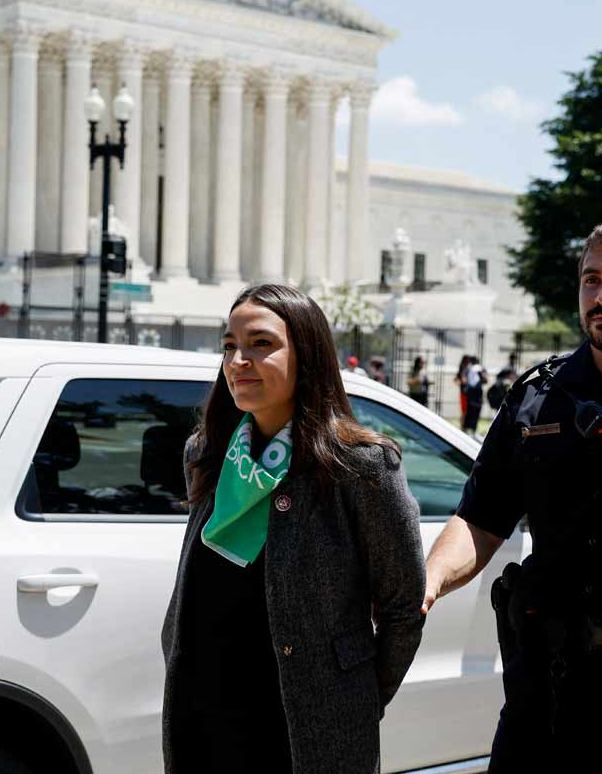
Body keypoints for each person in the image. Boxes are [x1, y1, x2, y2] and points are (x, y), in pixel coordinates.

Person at [422, 216, 602, 773]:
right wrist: (429, 580)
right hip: (544, 688)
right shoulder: (535, 397)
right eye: (591, 280)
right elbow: (481, 519)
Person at [162, 283, 426, 774]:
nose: (239, 360)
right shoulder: (205, 453)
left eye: (261, 344)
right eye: (229, 346)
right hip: (204, 719)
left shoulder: (363, 467)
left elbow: (403, 607)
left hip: (302, 733)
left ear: (307, 354)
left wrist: (353, 700)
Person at [460, 356, 488, 434]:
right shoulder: (469, 369)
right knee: (470, 410)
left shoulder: (480, 369)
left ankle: (472, 429)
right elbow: (464, 380)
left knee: (475, 410)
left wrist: (480, 376)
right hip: (472, 392)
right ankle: (466, 429)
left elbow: (485, 380)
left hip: (476, 392)